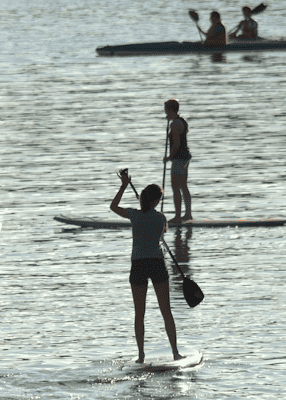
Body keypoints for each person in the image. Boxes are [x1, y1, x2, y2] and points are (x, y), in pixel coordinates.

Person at [110, 173, 183, 363]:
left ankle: (141, 355)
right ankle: (175, 352)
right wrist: (147, 209)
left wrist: (124, 185)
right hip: (156, 263)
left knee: (139, 313)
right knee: (166, 310)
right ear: (156, 201)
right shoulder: (160, 218)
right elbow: (163, 229)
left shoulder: (133, 214)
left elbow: (113, 207)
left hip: (138, 265)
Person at [163, 99, 193, 223]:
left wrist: (169, 158)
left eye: (166, 110)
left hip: (179, 158)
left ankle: (177, 216)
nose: (165, 112)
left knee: (176, 187)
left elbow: (176, 144)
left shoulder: (175, 124)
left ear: (171, 110)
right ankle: (187, 214)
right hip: (185, 157)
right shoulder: (182, 121)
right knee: (183, 186)